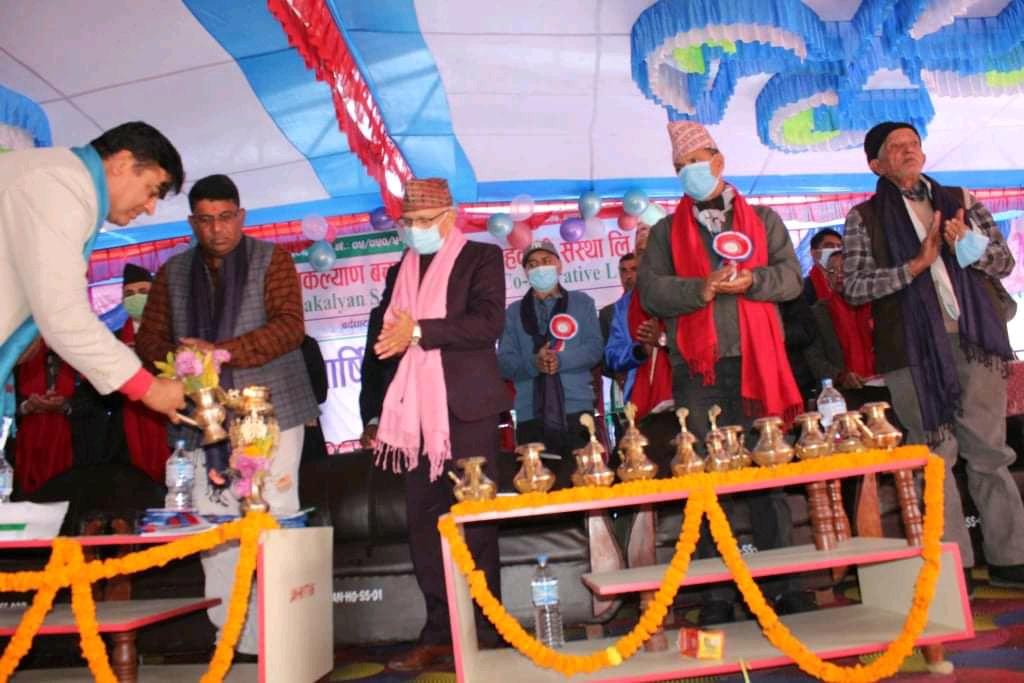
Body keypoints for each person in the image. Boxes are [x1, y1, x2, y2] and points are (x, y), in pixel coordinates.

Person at [135, 173, 318, 656]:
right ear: (192, 222)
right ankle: (233, 638)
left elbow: (289, 328)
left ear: (241, 216)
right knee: (214, 527)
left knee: (276, 518)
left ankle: (284, 637)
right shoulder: (172, 273)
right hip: (204, 421)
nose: (216, 229)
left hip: (272, 412)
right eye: (205, 220)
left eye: (225, 217)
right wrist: (181, 357)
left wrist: (220, 353)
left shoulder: (273, 259)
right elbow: (147, 339)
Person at [637, 120, 808, 624]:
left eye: (696, 162)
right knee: (708, 480)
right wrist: (702, 288)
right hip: (698, 371)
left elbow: (791, 279)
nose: (689, 172)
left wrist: (753, 280)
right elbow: (651, 292)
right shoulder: (666, 232)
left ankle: (784, 587)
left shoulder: (764, 219)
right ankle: (716, 594)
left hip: (759, 362)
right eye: (680, 167)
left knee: (768, 476)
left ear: (719, 161)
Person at [843, 121, 1024, 586]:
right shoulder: (864, 217)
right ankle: (951, 564)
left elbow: (1004, 262)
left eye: (914, 144)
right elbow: (855, 287)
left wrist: (970, 245)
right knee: (934, 455)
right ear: (876, 165)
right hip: (911, 350)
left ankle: (1011, 558)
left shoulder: (960, 200)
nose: (909, 151)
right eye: (895, 147)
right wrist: (914, 267)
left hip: (975, 341)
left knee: (990, 452)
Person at [370, 178, 509, 671]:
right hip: (415, 417)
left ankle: (487, 629)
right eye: (408, 222)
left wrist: (420, 331)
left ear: (450, 217)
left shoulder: (481, 258)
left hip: (466, 410)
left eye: (425, 221)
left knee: (475, 524)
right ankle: (438, 633)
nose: (415, 230)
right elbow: (387, 339)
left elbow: (488, 324)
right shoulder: (401, 269)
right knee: (424, 526)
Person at [0, 121, 187, 428]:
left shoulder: (58, 178)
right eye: (152, 191)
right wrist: (149, 388)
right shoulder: (59, 187)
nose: (151, 208)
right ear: (122, 163)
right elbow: (64, 315)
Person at [498, 239, 604, 488]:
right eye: (532, 264)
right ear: (525, 272)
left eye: (546, 261)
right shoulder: (512, 313)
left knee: (586, 486)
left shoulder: (582, 303)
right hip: (531, 414)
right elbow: (504, 363)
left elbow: (594, 349)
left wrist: (560, 360)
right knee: (539, 490)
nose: (540, 268)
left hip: (577, 411)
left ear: (559, 265)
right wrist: (534, 363)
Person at [68, 263, 170, 480]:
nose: (136, 298)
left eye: (143, 291)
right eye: (129, 294)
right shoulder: (112, 341)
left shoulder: (173, 334)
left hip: (167, 419)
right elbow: (96, 390)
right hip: (124, 424)